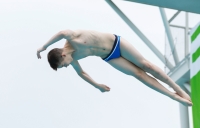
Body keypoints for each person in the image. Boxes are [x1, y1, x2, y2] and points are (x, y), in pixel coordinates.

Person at [37, 29, 192, 106]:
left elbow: (62, 32)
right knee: (138, 74)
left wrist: (44, 46)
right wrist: (97, 86)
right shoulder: (73, 58)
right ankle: (173, 96)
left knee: (146, 65)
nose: (67, 66)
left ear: (63, 55)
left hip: (117, 44)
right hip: (110, 57)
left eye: (64, 65)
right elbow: (81, 73)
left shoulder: (73, 38)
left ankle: (177, 88)